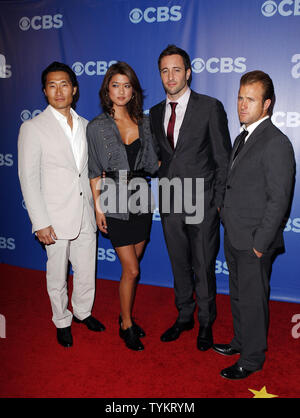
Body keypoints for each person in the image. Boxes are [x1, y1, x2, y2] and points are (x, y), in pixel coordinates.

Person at [213, 71, 296, 379]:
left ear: (267, 104)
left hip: (254, 241)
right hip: (234, 234)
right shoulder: (243, 136)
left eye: (250, 99)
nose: (242, 105)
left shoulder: (276, 142)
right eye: (239, 98)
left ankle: (252, 358)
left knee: (252, 300)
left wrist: (260, 243)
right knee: (238, 295)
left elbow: (279, 200)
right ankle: (239, 342)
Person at [149, 45, 232, 350]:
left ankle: (206, 322)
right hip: (170, 200)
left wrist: (219, 201)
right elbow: (157, 158)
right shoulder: (155, 112)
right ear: (160, 74)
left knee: (203, 264)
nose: (171, 76)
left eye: (176, 69)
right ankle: (184, 315)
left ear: (188, 72)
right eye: (164, 70)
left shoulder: (210, 107)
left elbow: (223, 158)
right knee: (178, 263)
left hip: (203, 201)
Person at [18, 62, 105, 348]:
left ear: (74, 89)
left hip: (84, 214)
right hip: (53, 218)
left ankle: (82, 311)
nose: (59, 91)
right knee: (56, 274)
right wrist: (40, 221)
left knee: (86, 269)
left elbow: (90, 172)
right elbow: (29, 179)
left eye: (64, 84)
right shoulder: (33, 128)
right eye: (52, 85)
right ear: (45, 91)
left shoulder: (86, 125)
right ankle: (62, 320)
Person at [87, 62, 158, 351]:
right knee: (132, 271)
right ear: (107, 89)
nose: (121, 91)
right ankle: (126, 324)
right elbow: (93, 170)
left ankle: (124, 314)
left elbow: (153, 163)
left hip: (142, 195)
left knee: (133, 267)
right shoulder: (96, 126)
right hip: (113, 195)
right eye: (115, 85)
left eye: (126, 85)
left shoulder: (145, 122)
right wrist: (98, 208)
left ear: (133, 91)